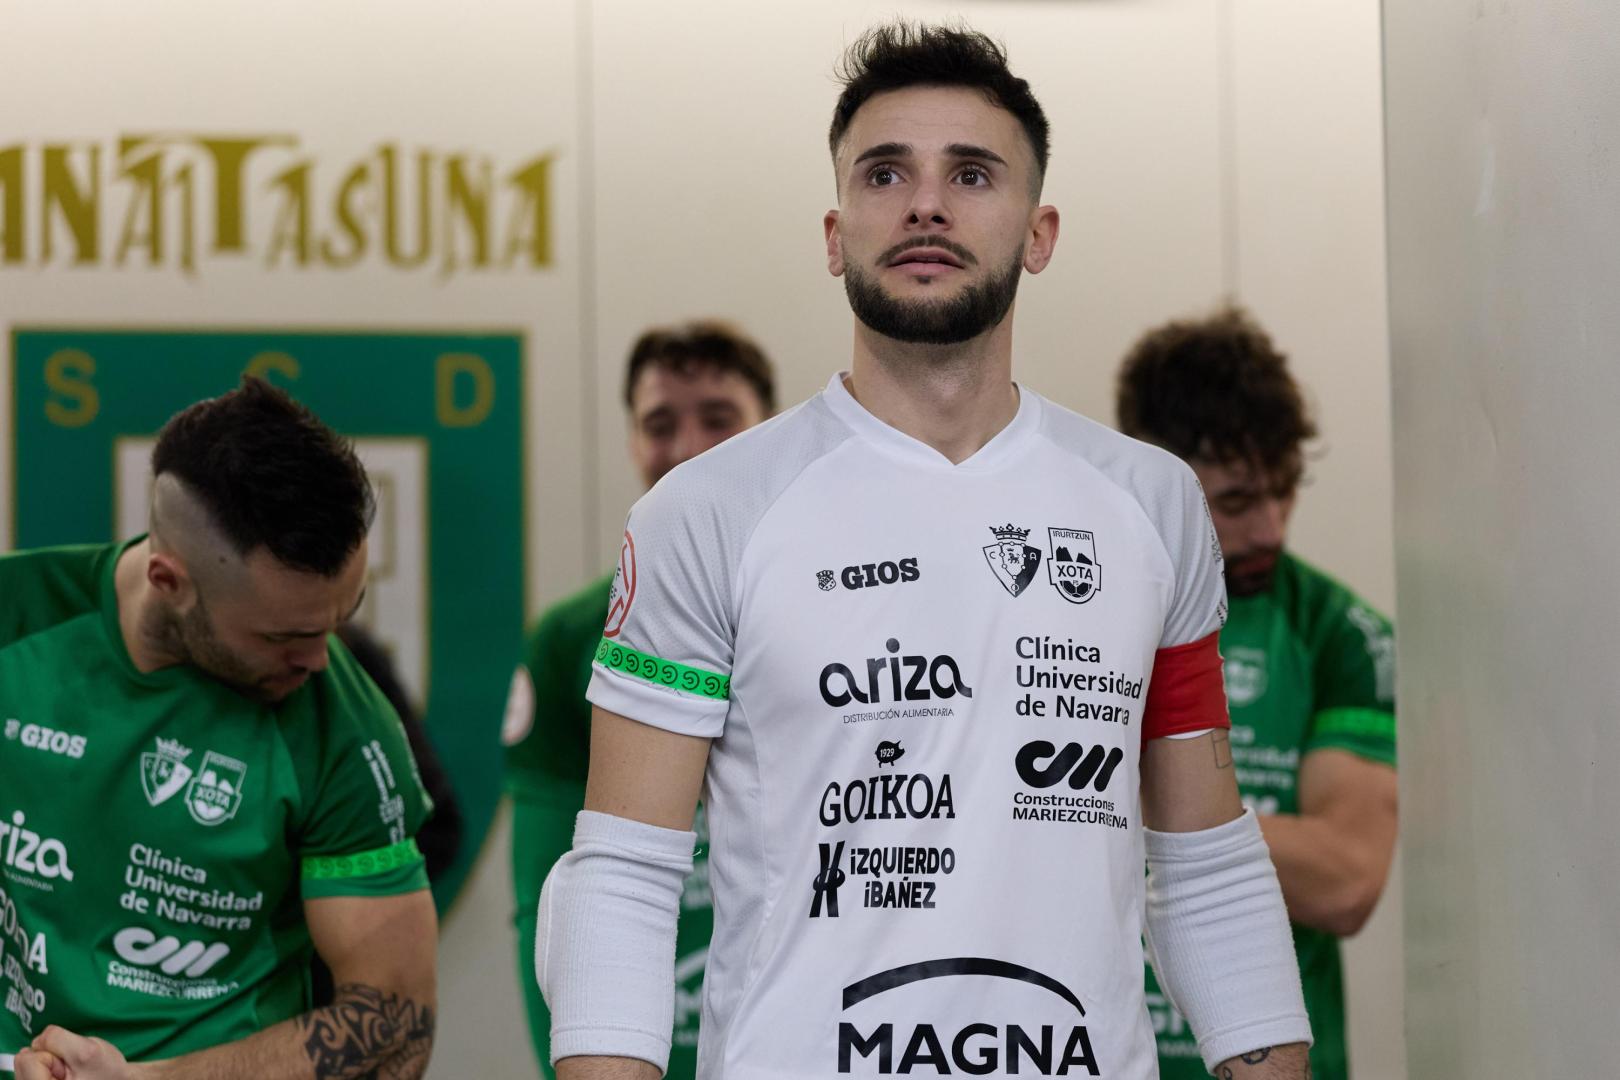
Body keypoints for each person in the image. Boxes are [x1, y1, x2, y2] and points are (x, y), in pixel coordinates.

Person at [535, 22, 1314, 1080]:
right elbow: (622, 878)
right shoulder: (707, 511)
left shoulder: (1150, 504)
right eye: (886, 172)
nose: (926, 203)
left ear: (1038, 233)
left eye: (974, 174)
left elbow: (1210, 867)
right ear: (833, 231)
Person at [2, 377, 437, 1080]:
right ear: (169, 580)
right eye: (282, 636)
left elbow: (394, 1025)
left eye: (342, 616)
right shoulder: (17, 622)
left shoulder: (345, 727)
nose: (320, 658)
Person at [1116, 305, 1398, 1080]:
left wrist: (1123, 798)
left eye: (1285, 491)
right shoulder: (1074, 612)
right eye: (1237, 502)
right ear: (1155, 478)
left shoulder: (1341, 631)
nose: (1272, 528)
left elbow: (1346, 880)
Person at [502, 320, 776, 1078]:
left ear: (770, 430)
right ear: (631, 443)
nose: (688, 446)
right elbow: (550, 897)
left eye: (718, 418)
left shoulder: (853, 608)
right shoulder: (568, 641)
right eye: (660, 423)